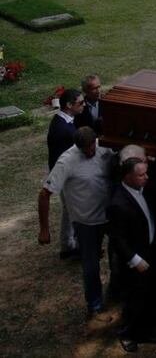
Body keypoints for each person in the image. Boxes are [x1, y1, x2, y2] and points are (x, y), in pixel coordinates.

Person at [38, 127, 115, 322]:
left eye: (91, 148)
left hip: (110, 217)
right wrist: (45, 229)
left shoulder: (105, 149)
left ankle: (116, 292)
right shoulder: (67, 160)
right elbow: (45, 193)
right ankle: (94, 304)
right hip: (86, 221)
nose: (89, 153)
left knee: (119, 257)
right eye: (85, 150)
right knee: (90, 266)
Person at [108, 158, 156, 352]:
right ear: (127, 176)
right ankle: (127, 333)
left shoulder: (144, 189)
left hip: (150, 251)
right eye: (141, 175)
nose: (146, 177)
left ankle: (148, 327)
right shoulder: (118, 203)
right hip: (135, 259)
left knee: (151, 291)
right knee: (134, 297)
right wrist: (134, 259)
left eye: (146, 173)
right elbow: (117, 238)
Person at [46, 88, 85, 259]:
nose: (83, 106)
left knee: (69, 209)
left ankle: (69, 242)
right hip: (66, 175)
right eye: (80, 103)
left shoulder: (62, 121)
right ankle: (69, 245)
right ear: (69, 105)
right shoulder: (64, 130)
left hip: (63, 172)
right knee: (71, 209)